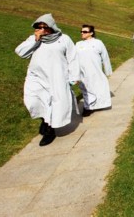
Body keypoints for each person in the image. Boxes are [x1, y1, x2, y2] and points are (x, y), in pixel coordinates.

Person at [15, 13, 79, 146]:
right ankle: (44, 120)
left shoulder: (64, 39)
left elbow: (73, 58)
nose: (42, 29)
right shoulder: (34, 39)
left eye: (45, 27)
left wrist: (74, 77)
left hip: (56, 76)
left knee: (55, 103)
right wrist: (35, 40)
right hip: (36, 77)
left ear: (52, 27)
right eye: (39, 26)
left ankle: (50, 129)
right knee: (33, 100)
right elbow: (21, 52)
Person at [76, 24, 113, 117]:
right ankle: (87, 107)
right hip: (83, 71)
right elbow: (73, 58)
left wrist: (108, 70)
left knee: (97, 88)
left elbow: (105, 57)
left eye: (85, 32)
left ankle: (96, 105)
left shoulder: (98, 43)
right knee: (85, 89)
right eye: (81, 31)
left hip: (95, 70)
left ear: (91, 33)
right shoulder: (78, 44)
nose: (82, 33)